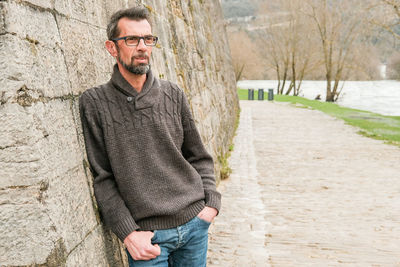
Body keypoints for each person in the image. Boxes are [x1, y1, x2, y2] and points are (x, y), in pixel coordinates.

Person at [79, 6, 221, 267]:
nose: (142, 47)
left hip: (194, 226)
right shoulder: (95, 103)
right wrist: (129, 234)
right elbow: (103, 178)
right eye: (131, 40)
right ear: (112, 48)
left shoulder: (172, 94)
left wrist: (210, 205)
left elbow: (199, 156)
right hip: (148, 239)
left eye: (148, 39)